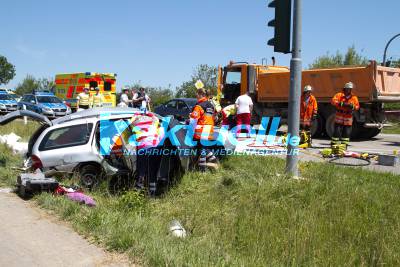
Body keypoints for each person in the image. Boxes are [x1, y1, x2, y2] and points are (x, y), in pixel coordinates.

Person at [189, 88, 217, 171]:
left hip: (201, 129)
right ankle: (212, 160)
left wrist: (190, 118)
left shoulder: (199, 106)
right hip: (210, 129)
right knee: (203, 147)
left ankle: (202, 170)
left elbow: (194, 120)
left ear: (200, 94)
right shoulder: (211, 106)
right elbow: (214, 118)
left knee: (201, 149)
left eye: (196, 94)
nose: (196, 96)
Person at [331, 82, 360, 150]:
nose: (348, 90)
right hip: (339, 116)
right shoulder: (339, 95)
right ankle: (334, 145)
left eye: (350, 89)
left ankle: (344, 146)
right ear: (345, 89)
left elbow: (357, 106)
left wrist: (352, 106)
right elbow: (333, 101)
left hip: (348, 117)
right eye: (347, 89)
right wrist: (340, 103)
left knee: (347, 132)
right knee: (337, 131)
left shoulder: (354, 97)